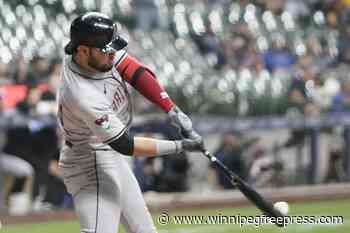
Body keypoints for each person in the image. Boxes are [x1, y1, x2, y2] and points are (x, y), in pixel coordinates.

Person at [57, 12, 203, 233]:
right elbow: (126, 145)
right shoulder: (82, 95)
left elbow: (136, 72)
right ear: (83, 50)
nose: (113, 54)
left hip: (108, 154)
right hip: (88, 162)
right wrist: (180, 146)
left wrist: (171, 109)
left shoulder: (94, 55)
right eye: (107, 51)